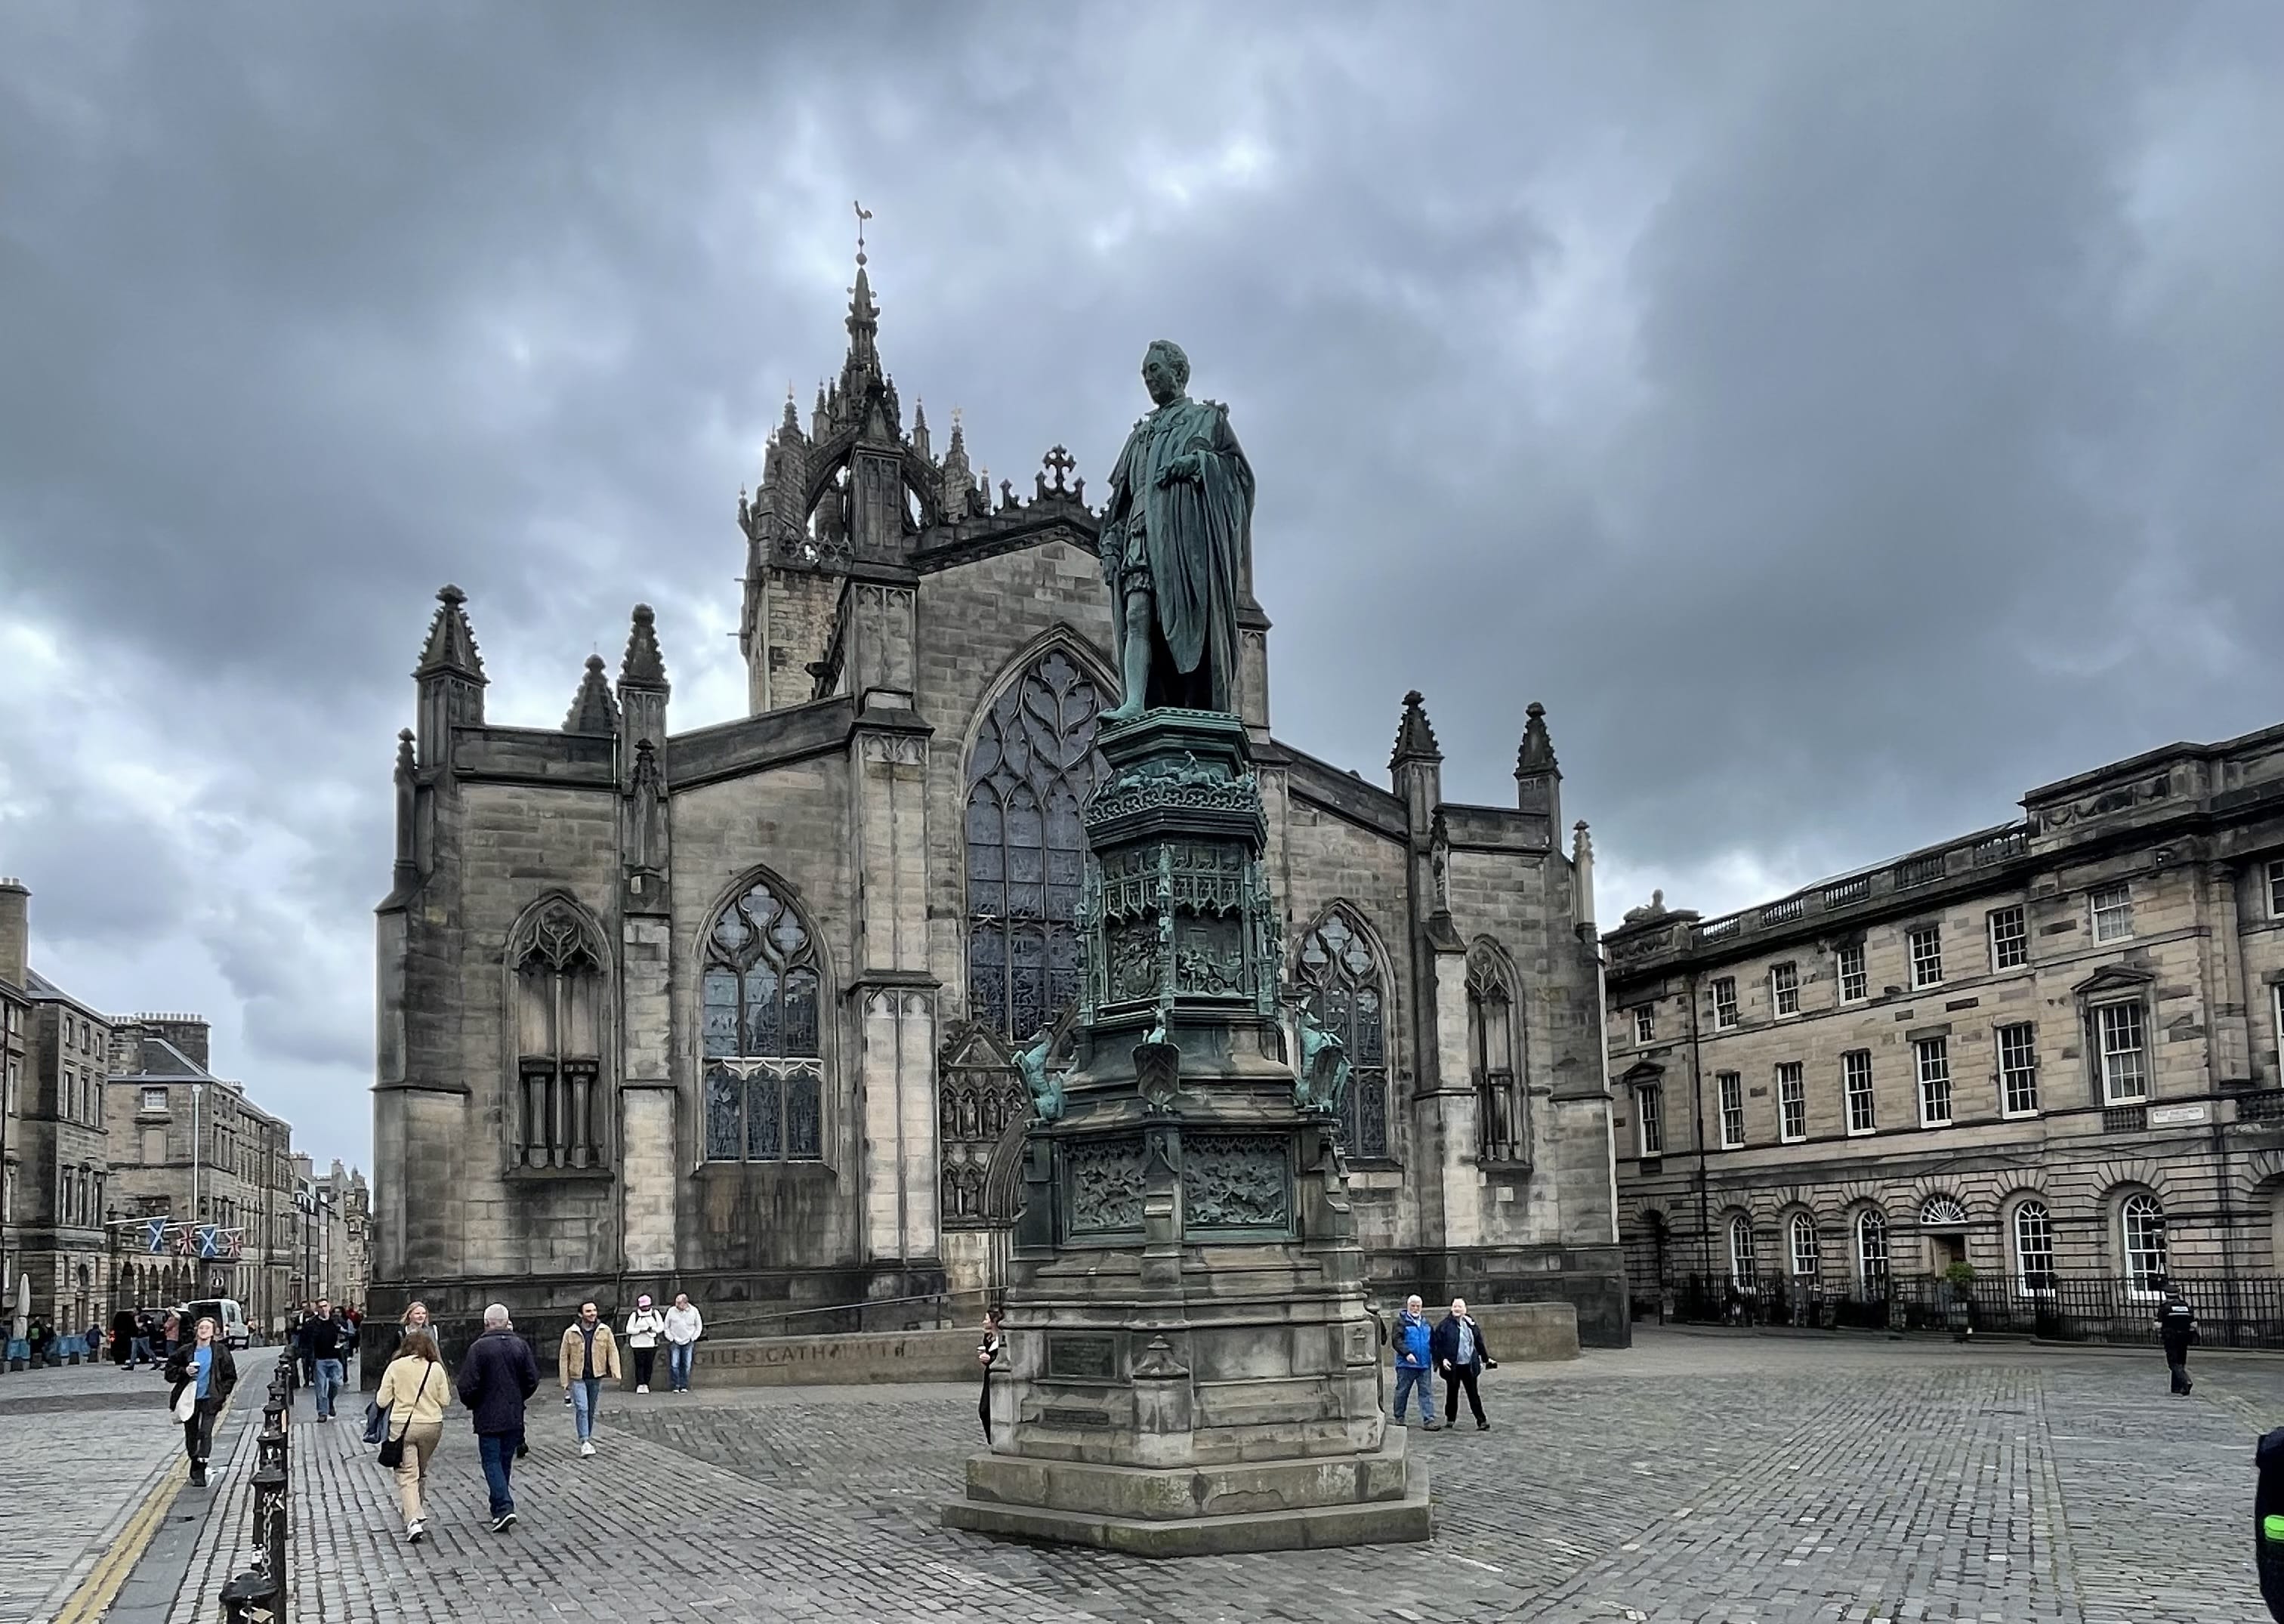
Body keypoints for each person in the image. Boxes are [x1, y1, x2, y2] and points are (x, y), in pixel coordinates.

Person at [1094, 338, 1255, 724]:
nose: (1148, 379)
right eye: (1144, 373)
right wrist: (1112, 544)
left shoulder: (1207, 420)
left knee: (1178, 624)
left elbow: (1240, 480)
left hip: (1185, 546)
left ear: (1178, 372)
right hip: (1141, 534)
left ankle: (1192, 707)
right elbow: (1120, 501)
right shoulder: (1139, 436)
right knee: (1137, 617)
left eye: (1154, 370)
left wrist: (1198, 464)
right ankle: (1135, 703)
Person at [457, 1303, 539, 1532]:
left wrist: (474, 1403)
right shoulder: (520, 1345)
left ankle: (504, 1506)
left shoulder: (478, 1348)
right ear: (506, 1321)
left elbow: (467, 1385)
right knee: (504, 1461)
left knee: (491, 1461)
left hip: (488, 1414)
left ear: (486, 1323)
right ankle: (497, 1507)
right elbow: (532, 1378)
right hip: (514, 1413)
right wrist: (518, 1396)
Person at [374, 1329, 452, 1542]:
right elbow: (445, 1400)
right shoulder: (435, 1368)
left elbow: (382, 1400)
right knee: (420, 1471)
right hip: (431, 1425)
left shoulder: (395, 1367)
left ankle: (413, 1519)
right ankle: (415, 1508)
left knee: (408, 1474)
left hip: (402, 1427)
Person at [165, 1315, 238, 1488]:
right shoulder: (186, 1351)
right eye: (201, 1328)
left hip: (210, 1399)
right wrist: (184, 1371)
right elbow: (170, 1371)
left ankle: (200, 1470)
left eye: (207, 1328)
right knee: (192, 1436)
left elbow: (230, 1376)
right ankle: (194, 1461)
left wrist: (221, 1395)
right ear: (196, 1331)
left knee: (205, 1432)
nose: (204, 1331)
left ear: (214, 1332)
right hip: (189, 1399)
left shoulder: (220, 1351)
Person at [557, 1301, 620, 1457]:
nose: (592, 1313)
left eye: (594, 1310)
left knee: (590, 1409)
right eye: (588, 1311)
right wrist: (564, 1382)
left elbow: (612, 1350)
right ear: (581, 1314)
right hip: (578, 1376)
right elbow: (564, 1357)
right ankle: (584, 1441)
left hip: (596, 1375)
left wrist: (616, 1371)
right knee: (582, 1408)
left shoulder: (604, 1330)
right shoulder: (571, 1332)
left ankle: (588, 1438)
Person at [1432, 1297, 1498, 1432]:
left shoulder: (1470, 1324)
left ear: (1465, 1309)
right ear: (1451, 1308)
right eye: (1455, 1306)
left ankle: (1482, 1421)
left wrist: (1486, 1359)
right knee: (1452, 1393)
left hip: (1469, 1365)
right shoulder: (1444, 1325)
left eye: (1460, 1307)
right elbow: (1437, 1345)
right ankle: (1450, 1419)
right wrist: (1441, 1360)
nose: (1457, 1309)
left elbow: (1479, 1342)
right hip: (1453, 1366)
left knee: (1473, 1394)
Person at [1391, 1295, 1438, 1431]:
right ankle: (1399, 1417)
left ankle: (1429, 1419)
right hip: (1406, 1365)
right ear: (1408, 1306)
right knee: (1402, 1391)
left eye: (1418, 1306)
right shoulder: (1401, 1322)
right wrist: (1407, 1353)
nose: (1416, 1308)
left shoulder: (1426, 1324)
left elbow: (1433, 1343)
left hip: (1424, 1364)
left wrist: (1436, 1360)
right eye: (1413, 1306)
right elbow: (1397, 1341)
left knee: (1426, 1393)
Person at [300, 1298, 352, 1422]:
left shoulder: (336, 1321)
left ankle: (330, 1403)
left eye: (325, 1306)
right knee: (321, 1388)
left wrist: (343, 1341)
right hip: (319, 1359)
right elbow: (305, 1340)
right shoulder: (312, 1324)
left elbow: (349, 1333)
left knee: (336, 1383)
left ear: (329, 1307)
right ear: (317, 1309)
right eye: (321, 1307)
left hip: (335, 1357)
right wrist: (308, 1356)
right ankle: (322, 1413)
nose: (323, 1309)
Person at [2158, 1287, 2199, 1396]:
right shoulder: (2186, 1306)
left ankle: (2186, 1381)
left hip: (2171, 1337)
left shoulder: (2165, 1307)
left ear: (2167, 1295)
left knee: (2173, 1363)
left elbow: (2159, 1324)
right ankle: (2176, 1387)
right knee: (2181, 1361)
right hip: (2185, 1336)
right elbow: (2194, 1324)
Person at [624, 1295, 665, 1394]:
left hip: (651, 1344)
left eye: (646, 1306)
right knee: (639, 1365)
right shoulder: (634, 1315)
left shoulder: (655, 1314)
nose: (645, 1308)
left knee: (649, 1365)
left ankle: (646, 1383)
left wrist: (653, 1329)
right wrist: (640, 1330)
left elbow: (661, 1327)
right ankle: (640, 1384)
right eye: (643, 1307)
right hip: (637, 1344)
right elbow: (628, 1329)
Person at [663, 1292, 703, 1392]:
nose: (676, 1305)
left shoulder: (694, 1311)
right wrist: (670, 1338)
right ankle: (676, 1385)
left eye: (679, 1303)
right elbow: (666, 1326)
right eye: (676, 1302)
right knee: (674, 1364)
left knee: (687, 1365)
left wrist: (693, 1338)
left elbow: (699, 1326)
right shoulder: (671, 1311)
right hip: (675, 1341)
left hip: (688, 1341)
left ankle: (684, 1385)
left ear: (685, 1303)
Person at [977, 1308, 1005, 1441]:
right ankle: (992, 1439)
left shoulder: (1003, 1339)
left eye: (986, 1319)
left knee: (993, 1410)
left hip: (1000, 1378)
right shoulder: (988, 1338)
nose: (983, 1322)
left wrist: (991, 1359)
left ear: (994, 1322)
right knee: (984, 1410)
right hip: (989, 1377)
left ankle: (997, 1439)